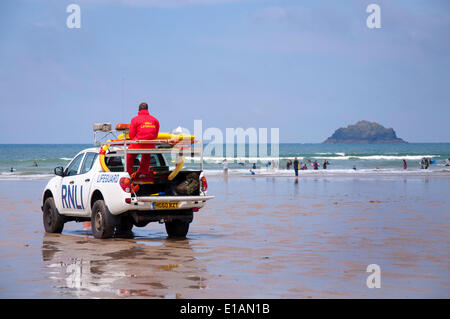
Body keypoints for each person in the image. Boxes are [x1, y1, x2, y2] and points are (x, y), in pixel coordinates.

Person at [126, 102, 160, 179]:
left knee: (129, 155)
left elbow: (131, 134)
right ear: (147, 109)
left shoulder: (135, 120)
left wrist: (133, 141)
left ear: (138, 110)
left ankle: (128, 173)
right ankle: (143, 172)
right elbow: (156, 133)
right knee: (146, 154)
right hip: (150, 143)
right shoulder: (155, 120)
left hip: (139, 143)